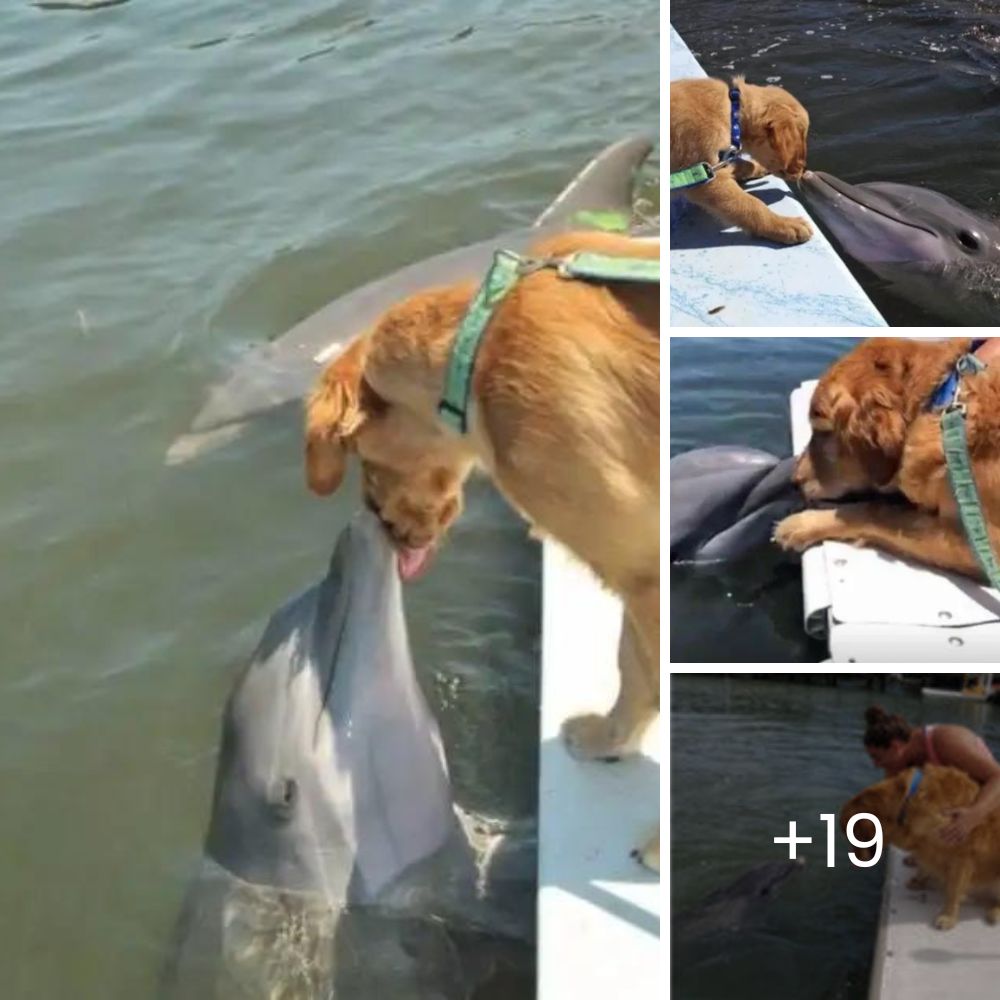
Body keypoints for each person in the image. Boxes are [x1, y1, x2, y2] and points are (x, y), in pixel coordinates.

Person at [863, 705, 1000, 844]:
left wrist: (974, 815)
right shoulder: (897, 762)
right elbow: (893, 808)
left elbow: (997, 776)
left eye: (877, 758)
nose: (876, 765)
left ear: (895, 747)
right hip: (963, 803)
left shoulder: (946, 741)